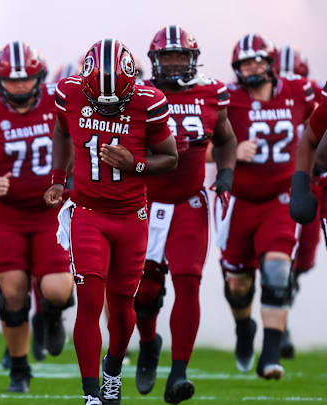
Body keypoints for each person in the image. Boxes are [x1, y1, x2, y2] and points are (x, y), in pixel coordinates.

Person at [46, 38, 178, 405]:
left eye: (116, 101)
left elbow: (170, 158)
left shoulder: (148, 101)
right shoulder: (69, 93)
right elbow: (60, 130)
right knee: (89, 300)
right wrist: (59, 178)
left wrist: (133, 164)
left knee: (122, 309)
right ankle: (91, 395)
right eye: (98, 102)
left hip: (132, 216)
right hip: (87, 212)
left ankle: (113, 371)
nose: (107, 109)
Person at [132, 26, 237, 404]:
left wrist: (225, 173)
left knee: (188, 280)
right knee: (143, 293)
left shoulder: (212, 92)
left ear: (193, 59)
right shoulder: (139, 96)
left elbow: (225, 137)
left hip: (188, 202)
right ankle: (148, 343)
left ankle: (178, 373)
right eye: (167, 57)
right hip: (144, 201)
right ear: (154, 62)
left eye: (180, 57)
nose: (174, 64)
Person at [0, 41, 74, 393]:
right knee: (12, 293)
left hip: (50, 212)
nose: (20, 87)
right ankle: (20, 369)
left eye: (26, 79)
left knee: (57, 289)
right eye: (12, 81)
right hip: (8, 214)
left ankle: (51, 315)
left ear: (40, 77)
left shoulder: (60, 101)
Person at [218, 34, 314, 380]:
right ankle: (245, 330)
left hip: (280, 198)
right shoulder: (227, 98)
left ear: (271, 63)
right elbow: (206, 142)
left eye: (258, 60)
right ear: (237, 68)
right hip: (240, 200)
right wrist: (232, 150)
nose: (253, 67)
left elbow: (319, 124)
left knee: (276, 272)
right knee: (238, 285)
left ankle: (270, 356)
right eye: (245, 63)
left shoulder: (299, 91)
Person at [277, 45, 321, 359]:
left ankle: (287, 293)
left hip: (314, 182)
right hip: (279, 184)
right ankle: (279, 323)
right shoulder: (260, 97)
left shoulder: (317, 93)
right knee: (278, 256)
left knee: (305, 257)